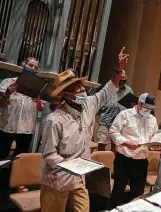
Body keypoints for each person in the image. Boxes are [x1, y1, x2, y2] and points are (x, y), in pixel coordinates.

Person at [39, 48, 127, 211]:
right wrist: (70, 165)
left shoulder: (89, 105)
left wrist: (118, 69)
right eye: (76, 87)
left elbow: (108, 90)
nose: (82, 89)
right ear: (66, 94)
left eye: (81, 85)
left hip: (78, 178)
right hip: (56, 180)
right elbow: (49, 154)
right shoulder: (54, 120)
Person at [0, 57, 44, 197]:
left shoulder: (38, 87)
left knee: (21, 156)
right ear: (23, 65)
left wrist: (39, 102)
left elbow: (40, 108)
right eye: (30, 65)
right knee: (1, 154)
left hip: (27, 126)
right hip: (8, 124)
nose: (32, 68)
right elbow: (0, 104)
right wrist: (8, 93)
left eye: (35, 67)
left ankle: (19, 181)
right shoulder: (8, 82)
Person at [107, 93, 158, 210]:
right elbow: (113, 131)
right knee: (118, 193)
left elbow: (154, 136)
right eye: (147, 108)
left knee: (137, 194)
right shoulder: (125, 114)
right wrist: (126, 142)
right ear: (139, 103)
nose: (149, 111)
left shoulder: (152, 119)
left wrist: (156, 142)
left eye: (151, 109)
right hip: (124, 160)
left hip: (141, 162)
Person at [97, 55, 134, 152]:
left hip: (119, 123)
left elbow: (131, 104)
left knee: (116, 145)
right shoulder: (110, 87)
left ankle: (112, 164)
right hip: (106, 121)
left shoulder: (129, 90)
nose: (122, 79)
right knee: (102, 144)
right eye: (120, 77)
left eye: (124, 77)